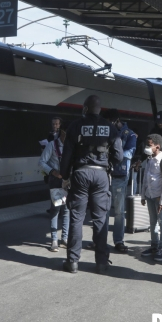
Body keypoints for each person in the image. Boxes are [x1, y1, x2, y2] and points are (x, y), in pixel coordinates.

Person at [59, 95, 123, 274]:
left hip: (80, 173)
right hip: (101, 175)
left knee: (76, 218)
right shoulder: (110, 127)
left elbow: (66, 156)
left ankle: (72, 261)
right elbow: (118, 155)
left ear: (85, 109)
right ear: (99, 109)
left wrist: (65, 175)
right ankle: (101, 263)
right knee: (100, 219)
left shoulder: (75, 125)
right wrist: (107, 163)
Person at [103, 109, 136, 252]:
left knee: (118, 211)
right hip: (104, 173)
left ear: (117, 121)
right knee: (101, 210)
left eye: (110, 122)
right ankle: (99, 240)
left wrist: (113, 153)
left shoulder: (130, 134)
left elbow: (129, 153)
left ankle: (118, 240)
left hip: (119, 175)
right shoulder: (105, 131)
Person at [140, 134, 162, 261]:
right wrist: (143, 195)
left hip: (159, 198)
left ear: (157, 147)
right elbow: (145, 179)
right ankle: (154, 245)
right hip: (149, 196)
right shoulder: (149, 160)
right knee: (152, 221)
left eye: (149, 145)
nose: (147, 147)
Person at [39, 130, 70, 252]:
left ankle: (65, 238)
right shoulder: (52, 145)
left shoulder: (71, 145)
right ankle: (54, 240)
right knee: (56, 209)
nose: (67, 136)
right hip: (56, 180)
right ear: (62, 132)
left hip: (68, 181)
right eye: (65, 133)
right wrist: (53, 172)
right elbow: (41, 162)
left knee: (67, 210)